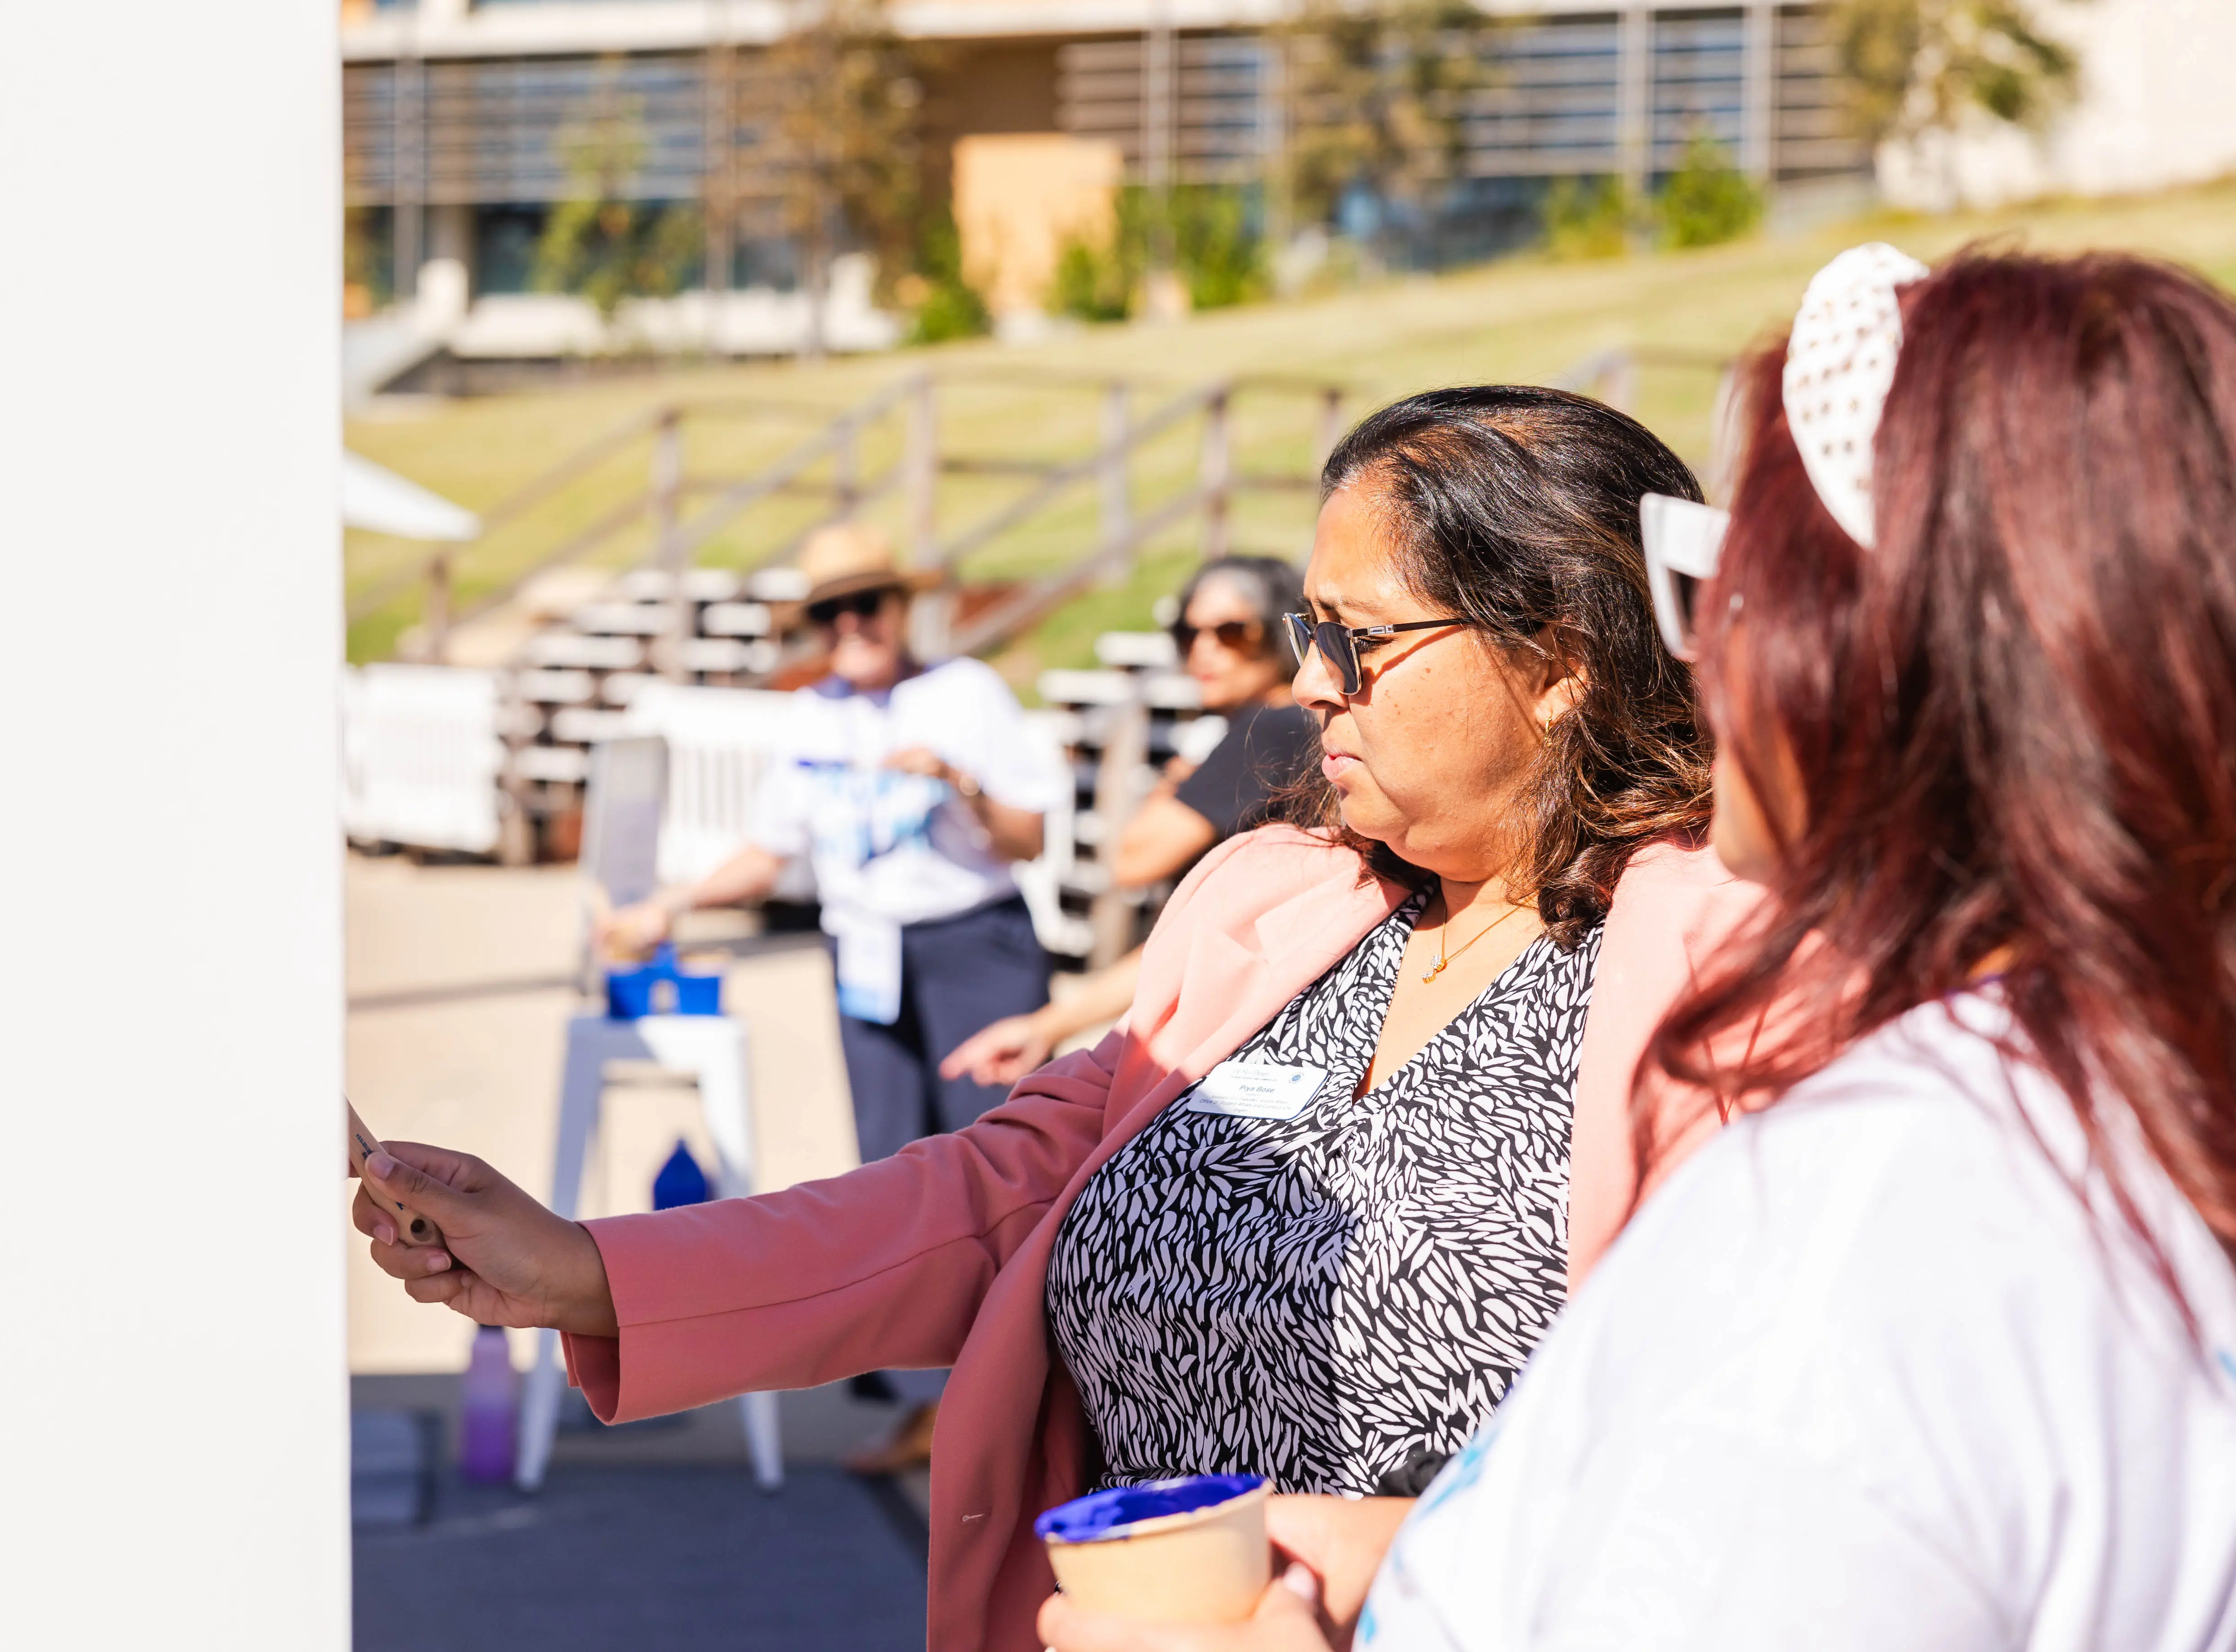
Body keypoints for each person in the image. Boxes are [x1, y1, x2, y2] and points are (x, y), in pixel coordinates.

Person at [352, 387, 1761, 1652]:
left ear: (1561, 653)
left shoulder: (1730, 965)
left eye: (1366, 639)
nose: (1313, 681)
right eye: (1307, 632)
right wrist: (584, 1271)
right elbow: (989, 1197)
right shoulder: (1268, 908)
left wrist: (1366, 1566)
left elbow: (1749, 1462)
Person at [1041, 248, 2236, 1652]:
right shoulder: (2128, 1101)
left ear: (1863, 656)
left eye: (1730, 582)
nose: (1698, 651)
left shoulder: (1865, 1222)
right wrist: (1431, 1540)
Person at [597, 521, 1069, 1471]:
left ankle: (1022, 1402)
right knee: (900, 1177)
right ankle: (934, 1402)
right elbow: (772, 852)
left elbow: (1025, 836)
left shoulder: (963, 693)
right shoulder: (812, 716)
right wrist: (671, 904)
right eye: (832, 612)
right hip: (867, 952)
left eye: (870, 603)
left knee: (1006, 1176)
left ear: (903, 607)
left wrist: (957, 783)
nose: (853, 624)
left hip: (972, 945)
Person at [941, 554, 1321, 1090]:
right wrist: (1047, 1026)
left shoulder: (1270, 731)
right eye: (1188, 633)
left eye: (1233, 632)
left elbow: (1133, 860)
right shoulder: (1300, 729)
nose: (1204, 650)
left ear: (1282, 632)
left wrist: (1173, 785)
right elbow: (1193, 940)